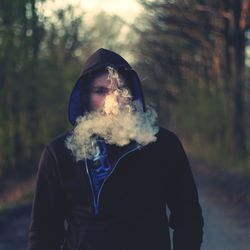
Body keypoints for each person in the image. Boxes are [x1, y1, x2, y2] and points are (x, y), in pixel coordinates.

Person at [27, 48, 204, 250]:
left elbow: (188, 218)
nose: (113, 99)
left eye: (120, 88)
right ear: (85, 97)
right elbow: (44, 230)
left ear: (132, 93)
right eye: (101, 91)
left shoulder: (162, 144)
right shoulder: (60, 152)